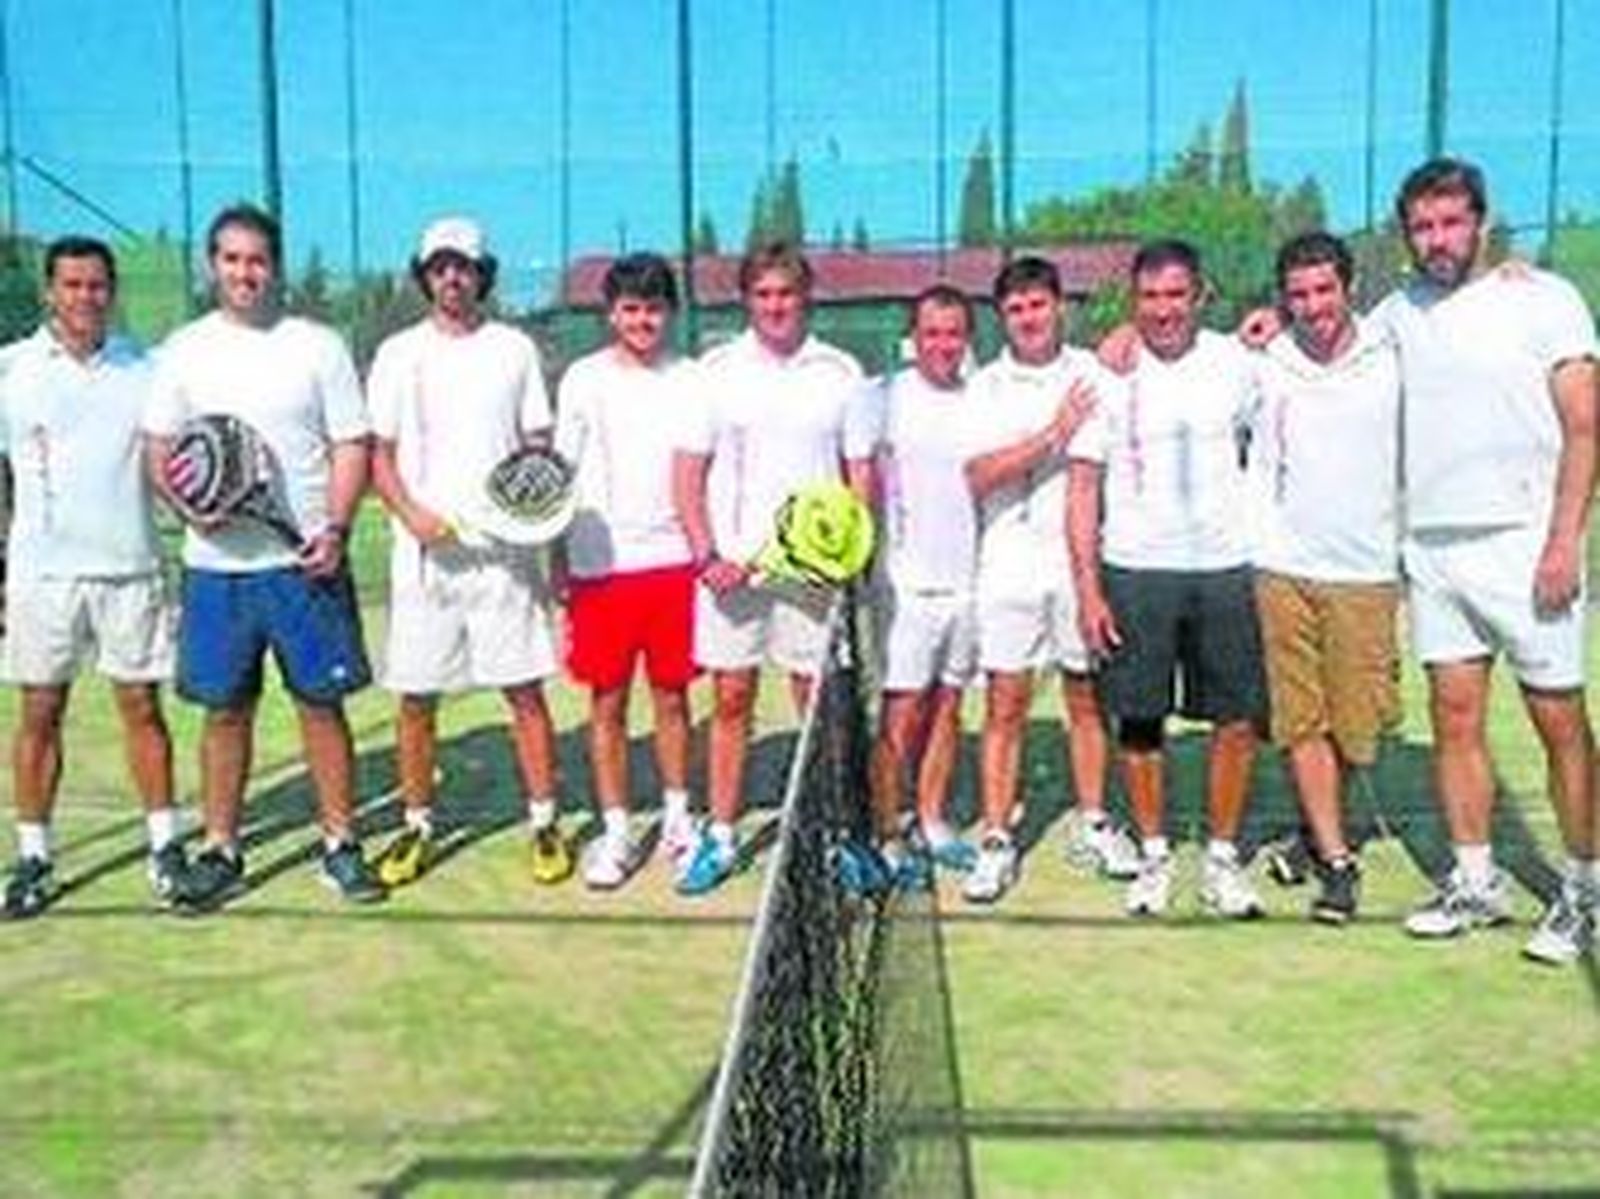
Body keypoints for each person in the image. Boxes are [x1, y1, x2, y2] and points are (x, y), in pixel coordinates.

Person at [1374, 160, 1597, 963]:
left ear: (1481, 220)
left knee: (1560, 723)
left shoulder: (1545, 299)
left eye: (1450, 222)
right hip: (1433, 551)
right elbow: (1325, 353)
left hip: (1526, 547)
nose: (1437, 240)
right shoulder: (1396, 313)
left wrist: (1564, 539)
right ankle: (1476, 881)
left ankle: (1585, 890)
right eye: (1423, 227)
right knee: (1455, 721)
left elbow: (1585, 426)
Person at [144, 203, 385, 911]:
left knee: (321, 703)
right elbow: (161, 451)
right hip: (217, 568)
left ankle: (340, 842)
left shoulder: (317, 345)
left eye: (257, 259)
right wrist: (192, 509)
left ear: (273, 266)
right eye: (232, 259)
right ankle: (222, 847)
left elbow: (351, 444)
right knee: (225, 712)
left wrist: (335, 529)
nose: (245, 272)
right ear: (212, 264)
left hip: (304, 564)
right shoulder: (184, 349)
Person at [365, 217, 570, 888]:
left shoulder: (513, 349)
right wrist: (413, 515)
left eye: (465, 266)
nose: (453, 277)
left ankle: (544, 819)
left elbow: (538, 446)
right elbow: (380, 457)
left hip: (504, 559)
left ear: (483, 275)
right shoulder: (398, 353)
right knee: (417, 698)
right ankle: (417, 823)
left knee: (524, 691)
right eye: (441, 266)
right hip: (426, 559)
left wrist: (524, 508)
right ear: (425, 275)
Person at [1069, 239, 1267, 919]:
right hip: (1134, 568)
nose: (1162, 311)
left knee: (1237, 718)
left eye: (1175, 295)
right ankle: (1154, 853)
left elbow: (1310, 352)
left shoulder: (1239, 365)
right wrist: (1089, 588)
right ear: (1134, 301)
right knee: (1140, 718)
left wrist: (1273, 317)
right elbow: (1083, 490)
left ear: (1200, 295)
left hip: (1226, 566)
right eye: (1149, 298)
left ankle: (1221, 856)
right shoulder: (1107, 375)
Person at [672, 240, 873, 896]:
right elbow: (688, 474)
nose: (775, 305)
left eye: (786, 292)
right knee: (731, 699)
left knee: (821, 710)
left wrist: (843, 556)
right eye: (763, 294)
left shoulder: (842, 372)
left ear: (805, 296)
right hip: (733, 573)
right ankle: (723, 833)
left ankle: (839, 835)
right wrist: (708, 553)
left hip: (812, 576)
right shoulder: (715, 370)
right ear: (747, 300)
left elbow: (860, 477)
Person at [0, 236, 182, 917]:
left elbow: (174, 466)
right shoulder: (11, 369)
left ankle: (165, 848)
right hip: (39, 580)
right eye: (72, 285)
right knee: (40, 714)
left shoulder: (150, 368)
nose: (85, 297)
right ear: (50, 291)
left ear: (113, 292)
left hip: (132, 570)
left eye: (97, 285)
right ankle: (34, 857)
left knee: (143, 709)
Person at [962, 255, 1135, 904]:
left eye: (1038, 304)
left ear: (1059, 304)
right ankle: (998, 839)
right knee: (1004, 707)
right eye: (1015, 308)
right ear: (1003, 318)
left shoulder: (1093, 372)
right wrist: (1052, 433)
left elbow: (1159, 329)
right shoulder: (986, 385)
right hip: (1005, 570)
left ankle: (1093, 821)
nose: (1029, 317)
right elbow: (979, 474)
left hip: (1077, 570)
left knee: (1086, 701)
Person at [1248, 231, 1402, 924]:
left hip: (1367, 574)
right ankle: (1338, 863)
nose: (1312, 306)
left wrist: (1508, 272)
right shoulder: (1265, 360)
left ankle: (1313, 834)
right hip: (1281, 570)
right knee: (1302, 721)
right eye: (1299, 294)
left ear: (1349, 289)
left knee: (1357, 730)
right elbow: (1173, 351)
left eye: (1323, 290)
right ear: (1283, 298)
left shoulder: (1395, 347)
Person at [554, 252, 700, 890]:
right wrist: (559, 563)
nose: (643, 320)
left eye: (654, 308)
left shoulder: (692, 378)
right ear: (611, 313)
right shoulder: (582, 380)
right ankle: (615, 830)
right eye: (631, 308)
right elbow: (559, 479)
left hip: (673, 564)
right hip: (599, 567)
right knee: (606, 702)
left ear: (670, 312)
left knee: (672, 698)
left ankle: (676, 819)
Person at [865, 284, 984, 881]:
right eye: (932, 333)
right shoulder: (883, 398)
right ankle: (887, 831)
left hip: (968, 583)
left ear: (967, 338)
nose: (943, 344)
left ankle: (932, 819)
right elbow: (860, 478)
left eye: (954, 333)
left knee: (949, 703)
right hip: (905, 587)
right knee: (902, 713)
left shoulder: (980, 396)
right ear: (915, 339)